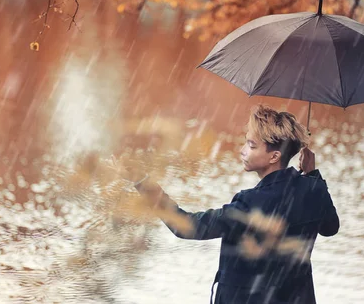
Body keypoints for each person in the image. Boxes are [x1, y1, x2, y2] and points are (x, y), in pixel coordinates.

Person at [117, 105, 339, 304]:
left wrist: (142, 182)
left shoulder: (250, 203)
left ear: (274, 156)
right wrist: (312, 174)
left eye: (251, 145)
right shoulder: (313, 189)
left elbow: (185, 226)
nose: (242, 150)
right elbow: (331, 228)